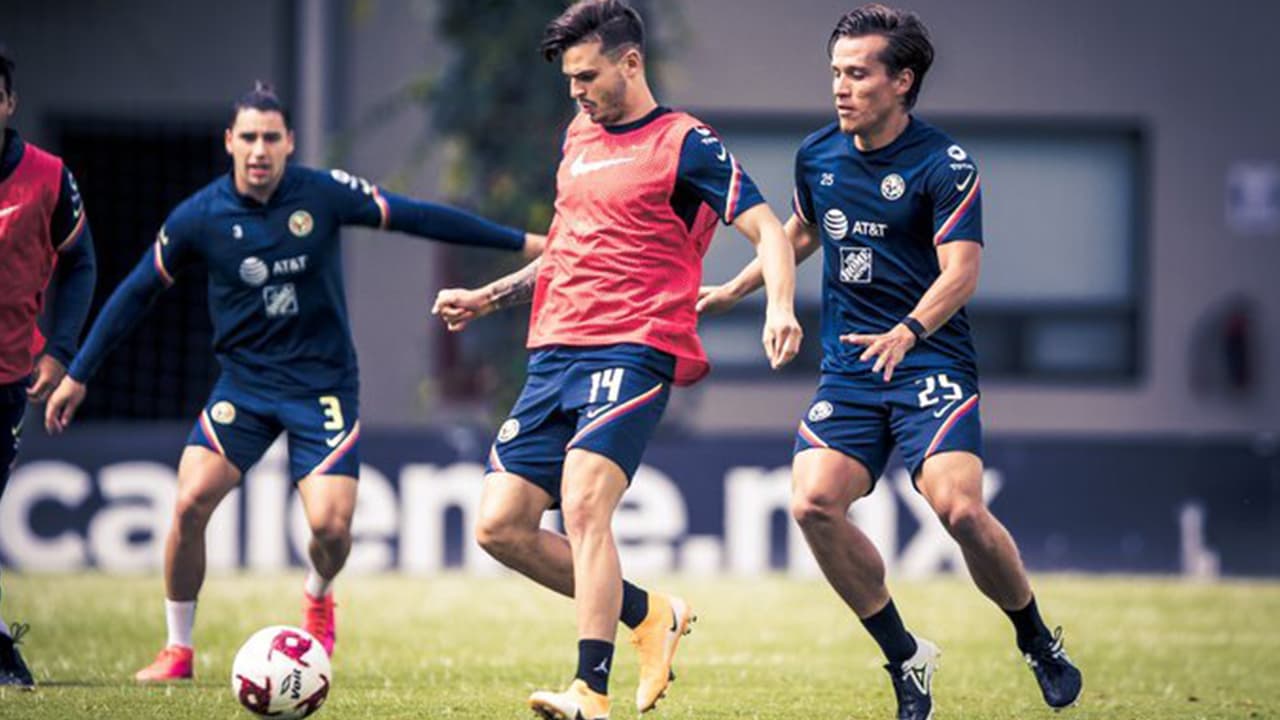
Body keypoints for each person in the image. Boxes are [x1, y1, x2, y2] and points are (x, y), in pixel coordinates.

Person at [44, 82, 543, 682]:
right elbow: (135, 293)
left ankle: (318, 594)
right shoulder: (199, 217)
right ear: (229, 142)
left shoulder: (322, 193)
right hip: (244, 387)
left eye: (270, 138)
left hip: (322, 388)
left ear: (289, 143)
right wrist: (79, 372)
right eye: (248, 137)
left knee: (331, 529)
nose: (259, 150)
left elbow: (416, 215)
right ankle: (177, 649)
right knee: (189, 501)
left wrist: (526, 243)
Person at [697, 5, 1083, 718]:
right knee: (812, 503)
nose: (840, 88)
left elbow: (962, 272)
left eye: (857, 74)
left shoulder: (945, 164)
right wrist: (736, 289)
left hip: (930, 361)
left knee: (960, 510)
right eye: (835, 73)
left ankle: (1034, 638)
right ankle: (906, 657)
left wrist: (907, 331)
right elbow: (801, 234)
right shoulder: (818, 154)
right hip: (851, 369)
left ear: (901, 81)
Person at [431, 1, 801, 717]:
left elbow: (769, 231)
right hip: (554, 351)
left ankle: (588, 691)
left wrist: (778, 306)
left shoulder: (685, 142)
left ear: (631, 63)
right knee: (499, 525)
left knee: (582, 504)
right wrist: (488, 298)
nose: (577, 92)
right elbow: (567, 248)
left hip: (635, 345)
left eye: (587, 76)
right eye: (570, 80)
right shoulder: (578, 137)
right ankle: (649, 613)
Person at [0, 47, 97, 690]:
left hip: (8, 373)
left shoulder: (48, 176)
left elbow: (81, 262)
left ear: (8, 103)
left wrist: (61, 349)